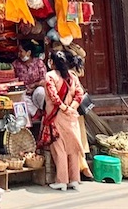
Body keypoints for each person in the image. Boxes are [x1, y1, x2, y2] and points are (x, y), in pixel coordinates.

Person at [39, 50, 84, 191]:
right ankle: (74, 179)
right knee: (73, 149)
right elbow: (79, 94)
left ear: (52, 62)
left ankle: (62, 181)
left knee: (59, 148)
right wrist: (71, 108)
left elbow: (53, 97)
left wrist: (64, 108)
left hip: (56, 116)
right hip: (71, 116)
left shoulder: (50, 76)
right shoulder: (72, 76)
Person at [12, 40, 46, 118]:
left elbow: (44, 81)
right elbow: (14, 81)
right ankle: (36, 113)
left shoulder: (38, 63)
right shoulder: (16, 64)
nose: (19, 54)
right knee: (20, 97)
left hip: (36, 94)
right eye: (18, 51)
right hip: (24, 94)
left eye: (21, 51)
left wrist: (34, 85)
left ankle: (43, 110)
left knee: (41, 91)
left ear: (29, 53)